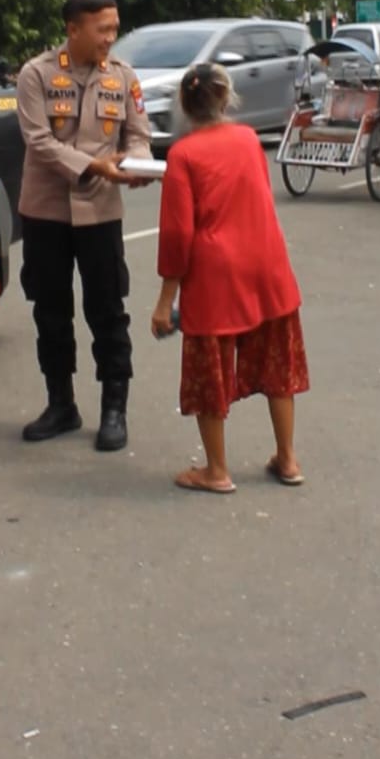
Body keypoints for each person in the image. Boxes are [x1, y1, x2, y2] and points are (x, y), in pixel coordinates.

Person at [151, 62, 310, 493]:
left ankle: (217, 470)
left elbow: (178, 235)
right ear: (226, 99)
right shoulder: (248, 140)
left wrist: (166, 301)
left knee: (211, 370)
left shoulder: (183, 155)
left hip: (215, 274)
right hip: (267, 263)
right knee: (278, 363)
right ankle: (289, 458)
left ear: (185, 104)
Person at [16, 0, 152, 451]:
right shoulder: (35, 75)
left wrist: (137, 164)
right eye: (103, 28)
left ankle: (115, 407)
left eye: (115, 28)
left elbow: (138, 135)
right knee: (51, 313)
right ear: (73, 29)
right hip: (46, 212)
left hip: (101, 214)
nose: (110, 37)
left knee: (108, 311)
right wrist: (95, 165)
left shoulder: (123, 77)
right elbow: (39, 142)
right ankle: (61, 404)